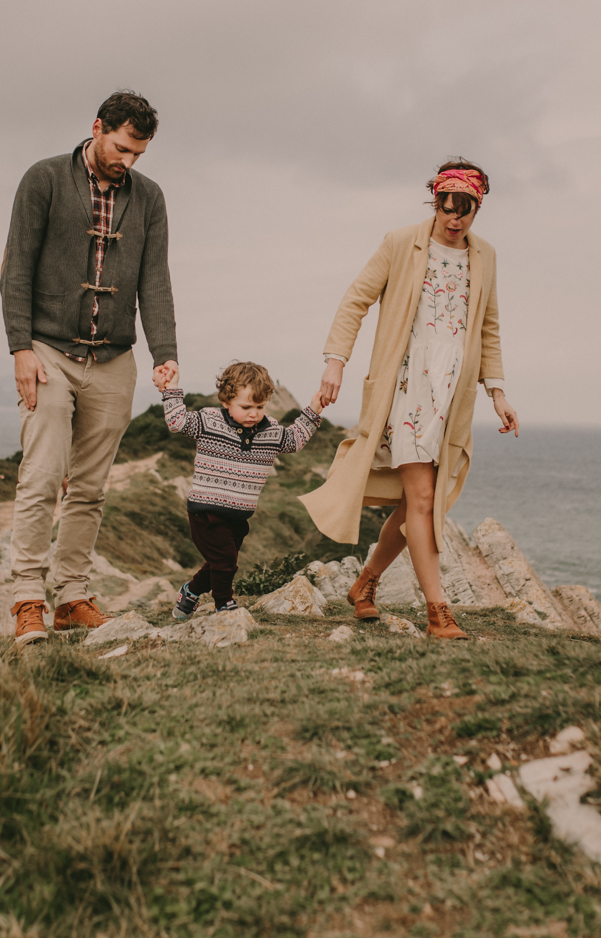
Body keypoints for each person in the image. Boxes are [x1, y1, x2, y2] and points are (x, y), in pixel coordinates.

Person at [299, 158, 518, 640]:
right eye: (447, 206)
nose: (454, 218)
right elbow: (355, 299)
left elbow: (488, 328)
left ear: (478, 208)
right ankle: (438, 611)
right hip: (406, 389)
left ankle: (365, 584)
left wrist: (497, 391)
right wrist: (336, 360)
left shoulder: (485, 256)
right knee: (422, 498)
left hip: (452, 396)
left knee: (416, 503)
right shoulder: (401, 243)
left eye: (466, 209)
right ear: (435, 201)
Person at [0, 90, 178, 646]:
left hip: (114, 359)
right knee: (43, 474)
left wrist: (165, 352)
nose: (128, 162)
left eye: (138, 154)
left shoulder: (149, 198)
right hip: (48, 351)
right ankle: (28, 598)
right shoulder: (44, 178)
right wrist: (19, 348)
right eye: (123, 148)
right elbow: (16, 268)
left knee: (92, 487)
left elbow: (155, 278)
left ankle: (71, 597)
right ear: (98, 127)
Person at [160, 362, 325, 617]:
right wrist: (171, 389)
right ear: (226, 401)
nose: (253, 413)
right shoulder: (209, 421)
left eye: (260, 407)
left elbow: (294, 440)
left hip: (238, 517)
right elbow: (177, 422)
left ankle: (190, 592)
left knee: (220, 563)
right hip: (206, 511)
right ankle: (224, 605)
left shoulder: (270, 431)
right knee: (225, 562)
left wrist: (314, 411)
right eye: (246, 407)